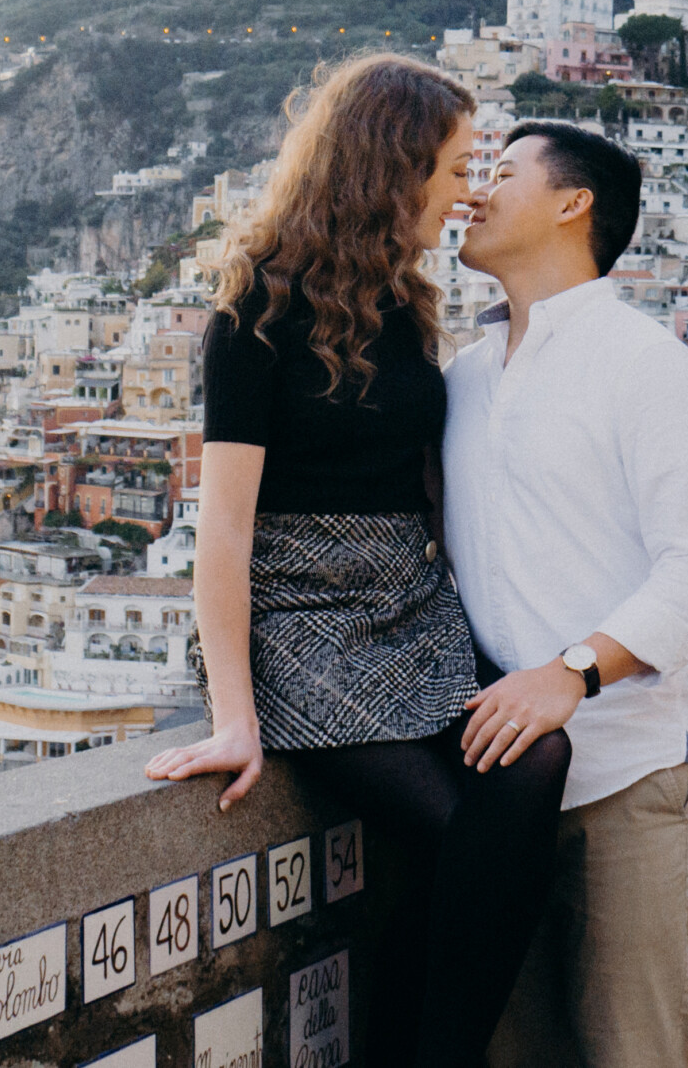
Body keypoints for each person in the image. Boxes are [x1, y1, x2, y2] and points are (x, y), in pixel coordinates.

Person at [144, 54, 572, 1068]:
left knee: (535, 755)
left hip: (409, 612)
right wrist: (234, 718)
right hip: (298, 622)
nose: (472, 187)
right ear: (395, 163)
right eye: (460, 164)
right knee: (450, 829)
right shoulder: (254, 310)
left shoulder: (404, 304)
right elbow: (225, 529)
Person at [444, 121, 688, 1068]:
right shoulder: (459, 376)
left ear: (574, 204)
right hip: (494, 778)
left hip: (628, 771)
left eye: (499, 173)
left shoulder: (644, 359)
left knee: (634, 1054)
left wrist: (572, 671)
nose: (474, 192)